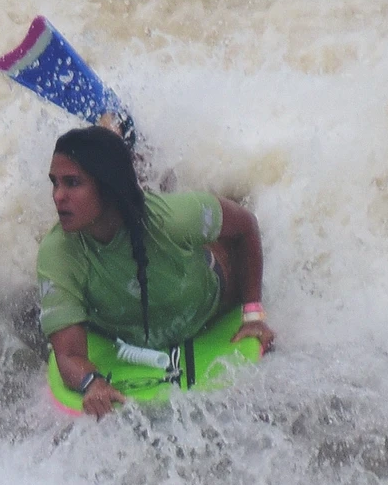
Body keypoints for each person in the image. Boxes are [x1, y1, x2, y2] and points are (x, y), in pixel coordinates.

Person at [37, 125, 276, 418]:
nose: (58, 196)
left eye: (72, 183)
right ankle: (120, 134)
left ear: (108, 187)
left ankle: (131, 139)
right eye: (55, 183)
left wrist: (253, 314)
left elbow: (246, 225)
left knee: (209, 243)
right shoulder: (58, 253)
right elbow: (68, 355)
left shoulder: (173, 216)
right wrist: (92, 382)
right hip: (120, 331)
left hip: (210, 303)